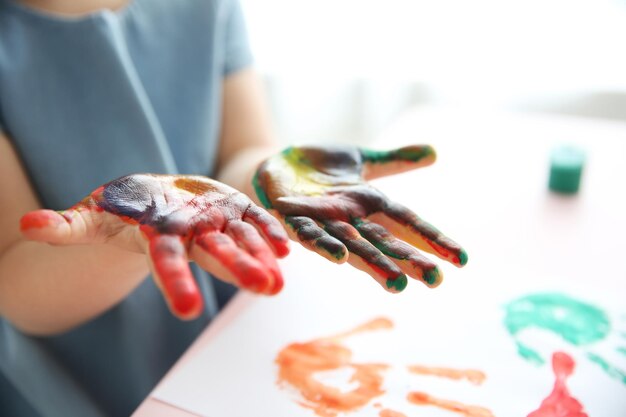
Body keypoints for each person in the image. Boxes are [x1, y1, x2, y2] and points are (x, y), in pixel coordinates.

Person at [0, 0, 466, 416]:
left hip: (222, 331)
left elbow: (241, 150)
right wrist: (130, 229)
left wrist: (272, 177)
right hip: (85, 374)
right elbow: (15, 280)